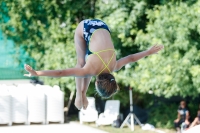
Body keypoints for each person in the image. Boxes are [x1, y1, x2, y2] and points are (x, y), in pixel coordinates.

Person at [24, 19, 164, 110]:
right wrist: (37, 73)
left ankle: (82, 94)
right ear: (96, 83)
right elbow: (62, 73)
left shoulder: (114, 66)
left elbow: (132, 58)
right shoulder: (90, 70)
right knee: (81, 65)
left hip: (102, 25)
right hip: (84, 27)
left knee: (85, 68)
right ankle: (81, 94)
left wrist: (148, 52)